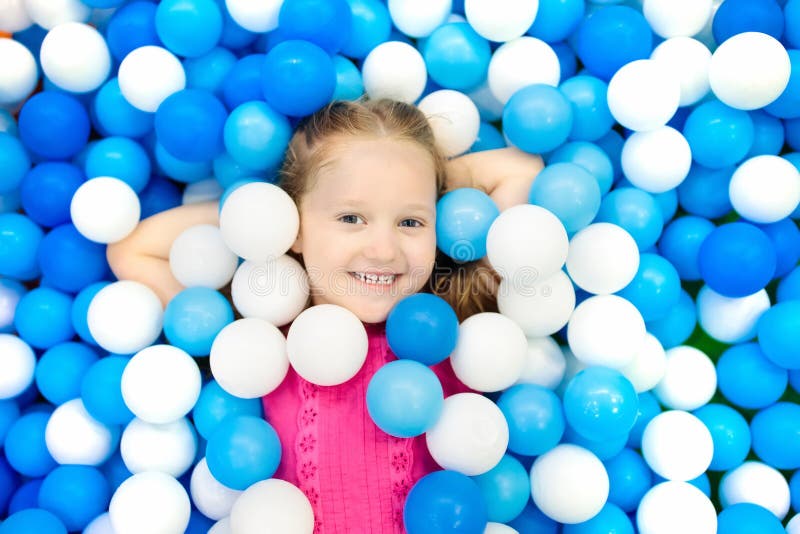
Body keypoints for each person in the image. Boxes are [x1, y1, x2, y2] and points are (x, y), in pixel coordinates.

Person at [107, 98, 543, 533]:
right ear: (293, 225)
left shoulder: (454, 324)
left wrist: (427, 178)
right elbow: (134, 250)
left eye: (411, 222)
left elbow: (523, 171)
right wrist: (260, 215)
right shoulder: (263, 339)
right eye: (351, 217)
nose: (383, 249)